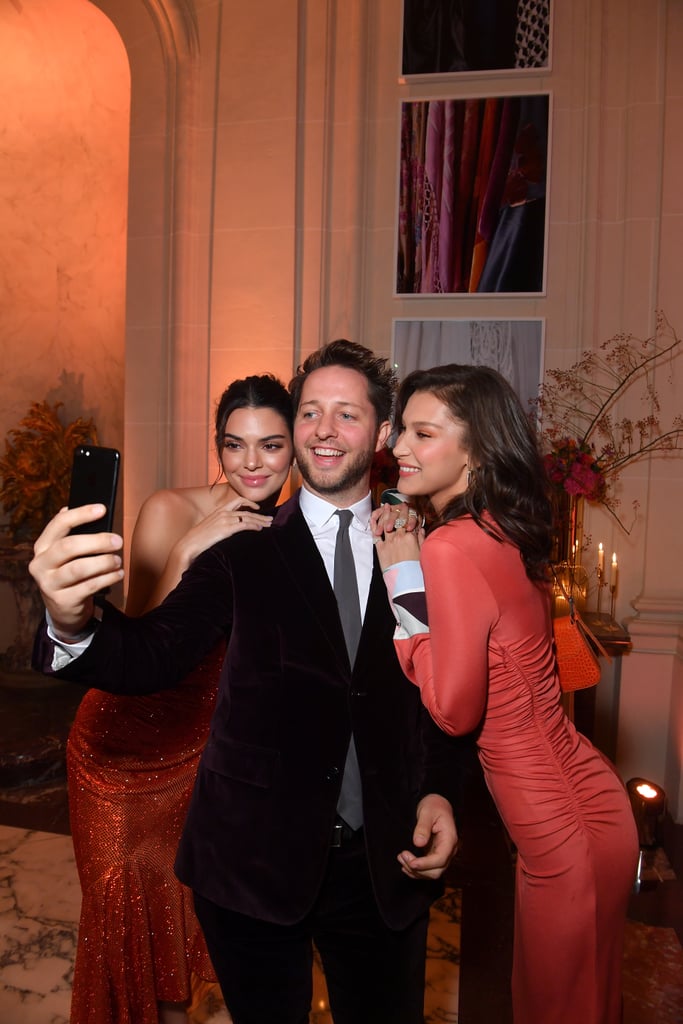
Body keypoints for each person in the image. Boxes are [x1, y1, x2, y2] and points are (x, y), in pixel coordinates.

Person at [29, 340, 466, 1024]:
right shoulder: (240, 545)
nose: (324, 428)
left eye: (346, 414)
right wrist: (68, 615)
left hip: (381, 870)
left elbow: (438, 692)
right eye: (311, 412)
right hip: (251, 868)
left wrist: (439, 788)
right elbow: (148, 656)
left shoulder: (422, 544)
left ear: (380, 431)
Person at [370, 364, 639, 1024]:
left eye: (422, 432)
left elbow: (453, 711)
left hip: (559, 833)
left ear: (478, 449)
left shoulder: (450, 548)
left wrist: (400, 577)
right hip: (590, 811)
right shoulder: (499, 528)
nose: (397, 447)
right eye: (401, 428)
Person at [65, 373, 294, 1024]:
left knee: (179, 916)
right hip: (120, 748)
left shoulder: (292, 530)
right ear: (216, 447)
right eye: (235, 444)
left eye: (271, 445)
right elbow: (139, 642)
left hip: (200, 755)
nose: (252, 463)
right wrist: (196, 543)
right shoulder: (171, 508)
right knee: (122, 916)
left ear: (296, 449)